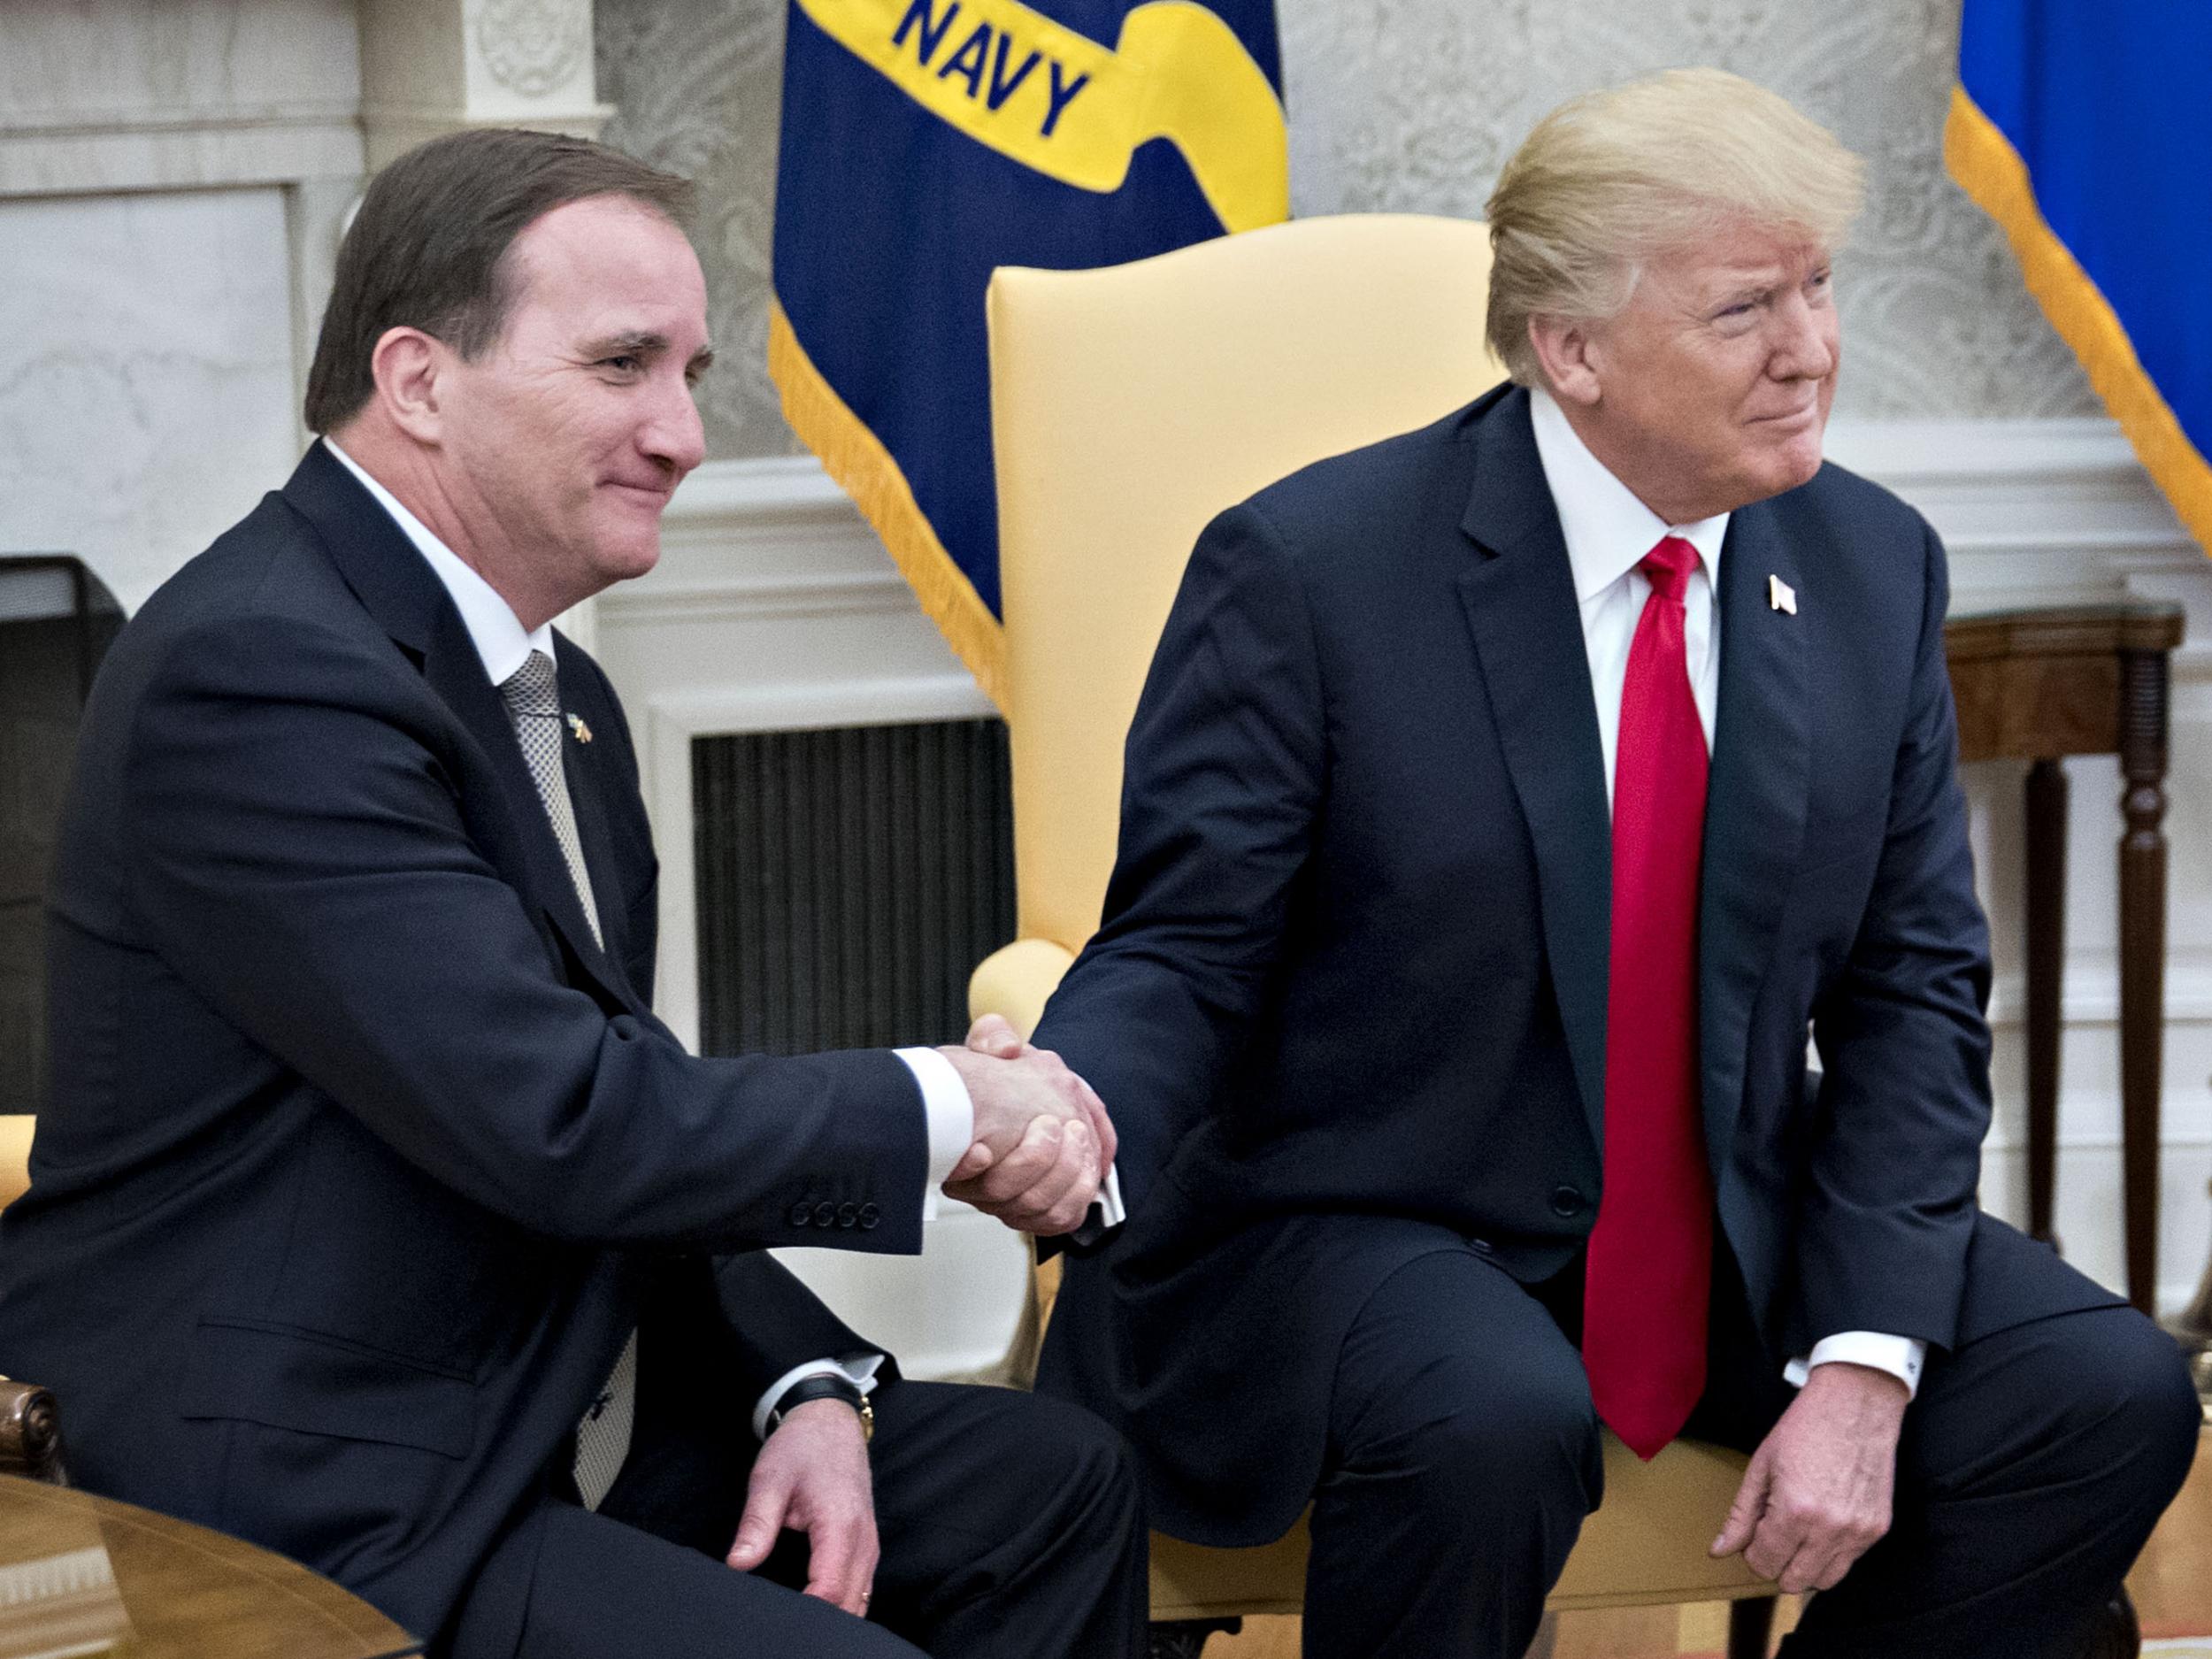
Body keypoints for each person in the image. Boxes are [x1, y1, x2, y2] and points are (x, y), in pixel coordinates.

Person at [1028, 67, 2198, 1659]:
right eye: (1743, 310)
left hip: (1711, 1229)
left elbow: (1914, 993)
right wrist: (1067, 1106)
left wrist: (1866, 1351)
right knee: (1490, 1410)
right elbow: (1185, 947)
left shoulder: (1867, 567)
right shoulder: (1312, 572)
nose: (1813, 350)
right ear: (1570, 350)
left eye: (1818, 286)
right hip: (1359, 1216)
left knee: (2104, 1390)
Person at [0, 129, 1147, 1659]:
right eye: (623, 367)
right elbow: (566, 1124)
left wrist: (797, 1379)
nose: (681, 432)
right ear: (417, 381)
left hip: (538, 1394)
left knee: (1052, 1492)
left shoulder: (562, 703)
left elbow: (619, 1104)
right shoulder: (264, 677)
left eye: (689, 370)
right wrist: (951, 1104)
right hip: (324, 1480)